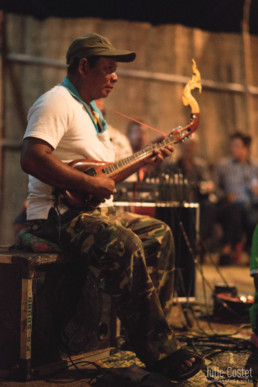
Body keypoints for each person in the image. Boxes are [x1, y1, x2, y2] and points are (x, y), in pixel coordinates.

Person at [19, 33, 203, 381]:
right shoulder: (56, 102)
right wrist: (87, 183)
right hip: (56, 216)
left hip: (90, 212)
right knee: (125, 242)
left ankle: (149, 336)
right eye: (109, 69)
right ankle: (159, 352)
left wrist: (150, 154)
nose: (115, 77)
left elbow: (105, 174)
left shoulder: (90, 111)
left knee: (158, 234)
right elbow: (31, 157)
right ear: (83, 67)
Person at [214, 132, 258, 265]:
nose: (233, 149)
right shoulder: (224, 166)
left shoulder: (255, 167)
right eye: (232, 146)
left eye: (237, 146)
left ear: (246, 148)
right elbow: (214, 188)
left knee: (252, 216)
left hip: (252, 206)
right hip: (229, 206)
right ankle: (226, 251)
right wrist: (225, 196)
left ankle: (250, 252)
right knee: (234, 212)